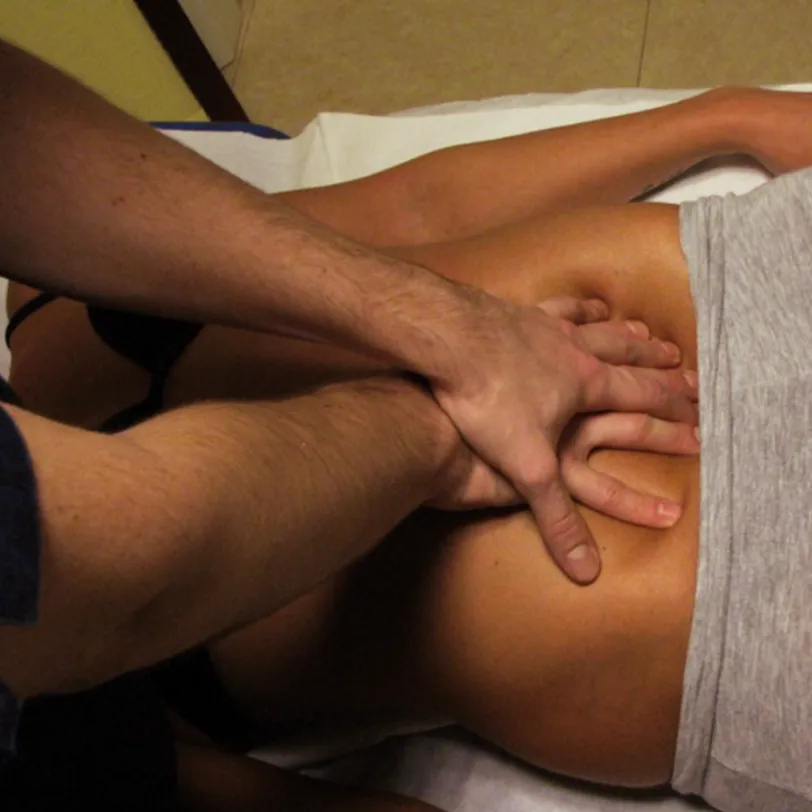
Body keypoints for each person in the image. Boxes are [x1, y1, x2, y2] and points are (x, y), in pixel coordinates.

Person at [7, 75, 812, 810]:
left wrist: (723, 117)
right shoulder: (70, 731)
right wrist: (435, 428)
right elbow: (137, 562)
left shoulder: (59, 280)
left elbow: (411, 212)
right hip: (739, 611)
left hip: (745, 270)